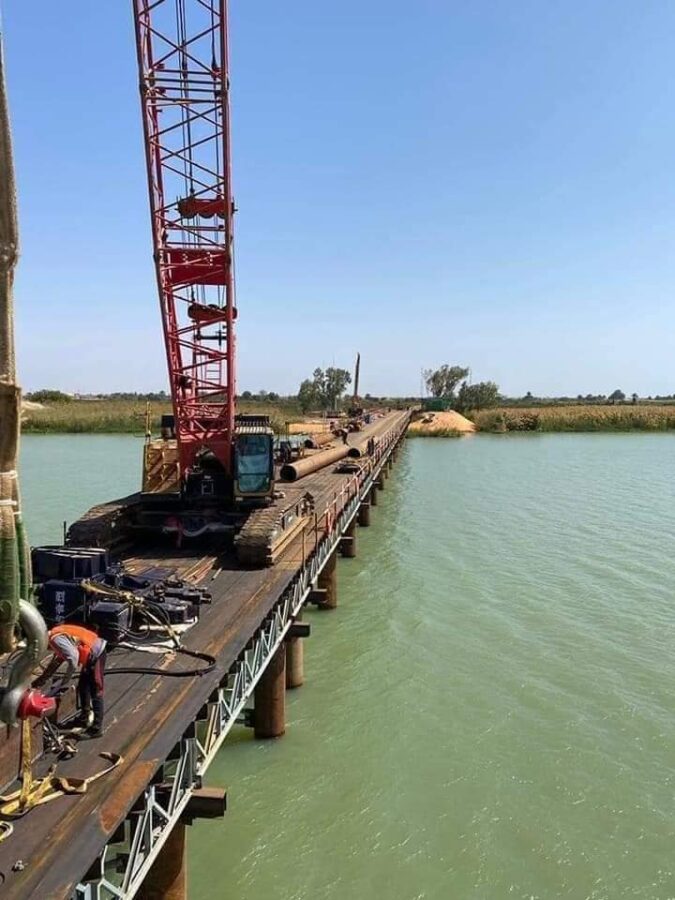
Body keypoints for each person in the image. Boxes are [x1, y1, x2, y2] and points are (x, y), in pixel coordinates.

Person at [46, 624, 107, 738]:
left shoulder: (55, 639)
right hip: (90, 655)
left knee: (96, 690)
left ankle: (96, 729)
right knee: (83, 687)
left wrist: (66, 680)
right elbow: (60, 658)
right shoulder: (56, 632)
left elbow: (73, 658)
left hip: (96, 654)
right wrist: (44, 677)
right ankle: (83, 718)